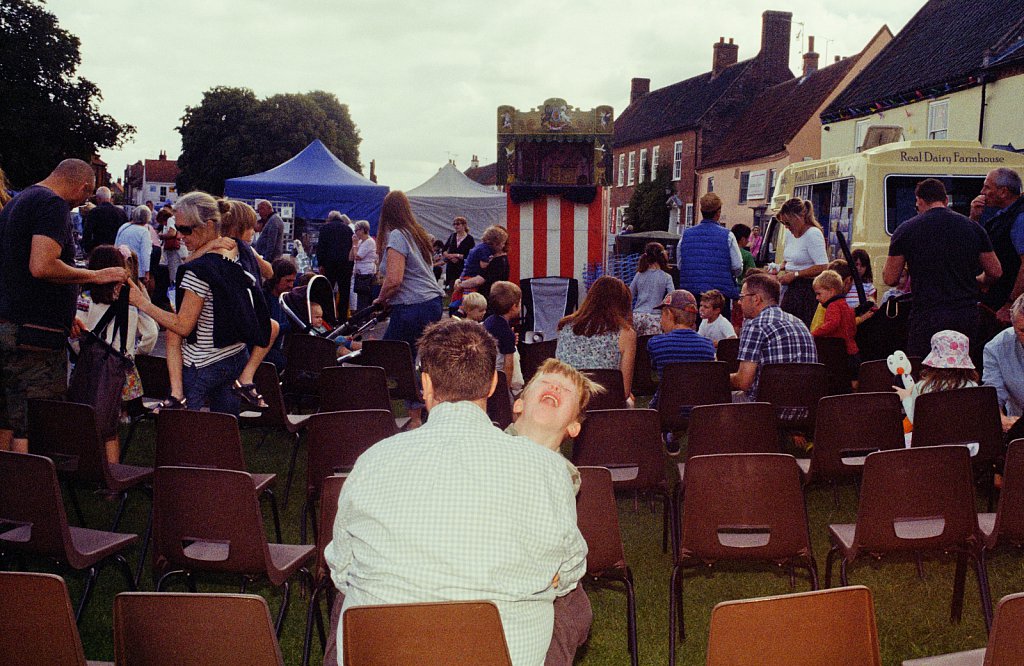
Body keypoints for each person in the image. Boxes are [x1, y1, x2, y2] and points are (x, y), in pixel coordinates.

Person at [324, 318, 588, 666]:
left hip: (385, 650)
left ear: (426, 385)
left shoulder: (374, 460)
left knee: (347, 594)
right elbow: (569, 569)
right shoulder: (549, 469)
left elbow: (341, 566)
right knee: (570, 601)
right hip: (503, 652)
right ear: (493, 383)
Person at [0, 159, 129, 453]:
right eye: (88, 195)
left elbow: (17, 269)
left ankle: (8, 490)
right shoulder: (52, 204)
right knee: (35, 422)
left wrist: (63, 314)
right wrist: (95, 275)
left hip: (9, 324)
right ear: (83, 187)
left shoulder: (16, 203)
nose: (85, 202)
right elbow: (42, 265)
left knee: (7, 417)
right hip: (34, 337)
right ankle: (31, 493)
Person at [129, 192, 274, 415]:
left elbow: (183, 326)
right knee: (223, 429)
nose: (179, 236)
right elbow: (268, 272)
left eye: (186, 229)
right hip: (236, 355)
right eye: (177, 229)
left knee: (180, 430)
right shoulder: (241, 249)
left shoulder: (199, 271)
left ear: (208, 225)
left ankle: (177, 398)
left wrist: (142, 302)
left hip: (202, 362)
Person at [884, 178, 1002, 357]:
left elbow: (890, 278)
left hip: (926, 315)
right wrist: (979, 280)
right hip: (965, 314)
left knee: (925, 372)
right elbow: (995, 271)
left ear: (919, 201)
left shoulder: (906, 230)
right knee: (962, 370)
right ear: (946, 200)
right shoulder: (972, 227)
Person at [77, 245, 158, 463]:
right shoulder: (131, 299)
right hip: (122, 371)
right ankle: (113, 477)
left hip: (92, 368)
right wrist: (133, 352)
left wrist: (83, 353)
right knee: (110, 426)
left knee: (89, 418)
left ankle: (91, 465)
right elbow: (151, 333)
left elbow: (77, 335)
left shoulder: (85, 298)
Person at [730, 272, 818, 403]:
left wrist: (718, 377)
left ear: (756, 299)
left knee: (711, 397)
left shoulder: (756, 325)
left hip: (765, 410)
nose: (739, 301)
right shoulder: (799, 323)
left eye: (742, 297)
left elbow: (744, 382)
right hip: (805, 409)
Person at [555, 275, 637, 402]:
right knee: (630, 401)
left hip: (568, 402)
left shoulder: (565, 326)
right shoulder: (626, 334)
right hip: (605, 405)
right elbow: (624, 391)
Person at [971, 168, 1024, 324]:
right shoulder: (1003, 217)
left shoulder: (1020, 218)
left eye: (987, 187)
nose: (982, 192)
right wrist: (974, 218)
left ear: (1003, 192)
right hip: (994, 301)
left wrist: (1010, 305)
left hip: (1007, 307)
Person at [677, 192, 742, 319]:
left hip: (692, 294)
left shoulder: (686, 235)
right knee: (719, 333)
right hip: (719, 296)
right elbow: (737, 266)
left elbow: (680, 264)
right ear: (718, 213)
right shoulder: (727, 235)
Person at [895, 330, 978, 428]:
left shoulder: (921, 387)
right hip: (966, 442)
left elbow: (915, 420)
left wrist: (906, 398)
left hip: (930, 442)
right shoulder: (972, 386)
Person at [647, 289, 715, 407]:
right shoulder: (708, 346)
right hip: (698, 413)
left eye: (662, 314)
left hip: (666, 410)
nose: (660, 321)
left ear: (669, 314)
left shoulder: (656, 344)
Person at [776, 198, 829, 327]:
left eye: (788, 223)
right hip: (790, 287)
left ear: (798, 218)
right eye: (784, 223)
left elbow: (823, 266)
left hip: (806, 289)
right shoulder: (790, 234)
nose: (786, 227)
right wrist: (780, 267)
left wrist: (795, 275)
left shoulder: (813, 234)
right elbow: (792, 258)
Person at [983, 294, 1024, 432]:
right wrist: (1001, 419)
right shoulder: (995, 348)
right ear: (1012, 324)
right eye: (1022, 330)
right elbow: (993, 398)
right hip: (1019, 429)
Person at [811, 270, 859, 381]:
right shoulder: (846, 305)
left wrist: (814, 334)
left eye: (819, 293)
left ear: (831, 291)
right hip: (853, 350)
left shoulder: (833, 306)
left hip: (839, 352)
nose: (817, 298)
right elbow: (853, 327)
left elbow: (832, 324)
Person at [629, 242, 674, 336]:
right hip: (655, 317)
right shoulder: (666, 277)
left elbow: (630, 294)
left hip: (638, 316)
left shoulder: (639, 275)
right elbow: (672, 297)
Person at [317, 211, 355, 320]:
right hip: (345, 265)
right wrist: (351, 265)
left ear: (330, 219)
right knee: (344, 292)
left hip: (329, 264)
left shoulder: (325, 229)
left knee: (328, 290)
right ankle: (343, 317)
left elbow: (321, 247)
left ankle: (328, 316)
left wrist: (321, 263)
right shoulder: (348, 229)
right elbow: (351, 248)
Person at [484, 281, 521, 381]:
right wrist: (506, 389)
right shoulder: (506, 332)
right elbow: (508, 365)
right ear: (514, 307)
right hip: (496, 373)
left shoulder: (489, 320)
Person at [114, 205, 154, 288]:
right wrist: (147, 272)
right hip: (137, 269)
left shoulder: (124, 226)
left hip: (122, 265)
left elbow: (116, 245)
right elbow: (145, 253)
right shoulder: (144, 232)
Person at [81, 186, 127, 253]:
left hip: (98, 250)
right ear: (110, 198)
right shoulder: (121, 213)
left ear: (98, 198)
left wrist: (88, 249)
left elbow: (87, 233)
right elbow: (125, 232)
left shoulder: (93, 212)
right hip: (116, 250)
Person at [349, 220, 377, 312]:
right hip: (359, 273)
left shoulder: (369, 242)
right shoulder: (361, 242)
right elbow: (351, 257)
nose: (355, 233)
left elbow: (358, 256)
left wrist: (355, 245)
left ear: (362, 230)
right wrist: (353, 245)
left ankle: (363, 316)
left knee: (363, 299)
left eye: (356, 230)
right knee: (360, 297)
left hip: (366, 273)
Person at [442, 216, 474, 290]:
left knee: (460, 285)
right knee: (450, 285)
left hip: (462, 266)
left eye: (458, 224)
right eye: (454, 224)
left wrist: (456, 255)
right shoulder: (452, 236)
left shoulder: (470, 239)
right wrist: (449, 256)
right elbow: (444, 249)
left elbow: (469, 254)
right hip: (451, 265)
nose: (456, 226)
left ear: (464, 225)